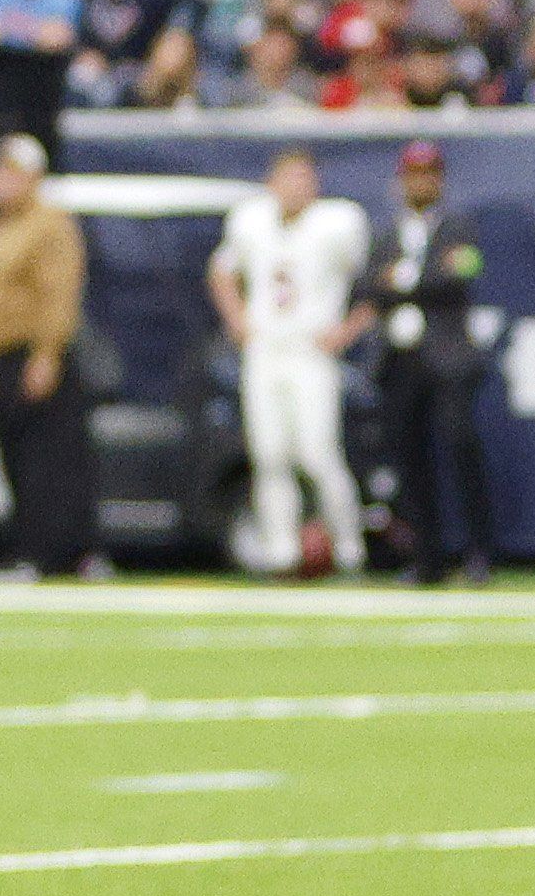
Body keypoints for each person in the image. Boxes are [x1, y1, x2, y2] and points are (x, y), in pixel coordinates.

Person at [210, 142, 372, 578]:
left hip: (309, 351)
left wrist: (347, 330)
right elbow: (221, 270)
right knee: (269, 456)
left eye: (304, 178)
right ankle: (280, 553)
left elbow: (374, 283)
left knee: (318, 454)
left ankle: (349, 548)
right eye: (288, 178)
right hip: (265, 349)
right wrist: (237, 319)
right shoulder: (251, 220)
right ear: (271, 183)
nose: (295, 188)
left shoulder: (336, 224)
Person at [363, 138, 496, 586]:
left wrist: (402, 281)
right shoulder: (385, 234)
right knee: (408, 457)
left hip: (447, 357)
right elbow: (369, 288)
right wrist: (415, 282)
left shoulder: (459, 227)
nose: (421, 182)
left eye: (429, 173)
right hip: (400, 360)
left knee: (460, 447)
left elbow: (457, 276)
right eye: (414, 174)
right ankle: (427, 557)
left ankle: (478, 551)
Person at [0, 131, 88, 580]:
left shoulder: (49, 224)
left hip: (32, 355)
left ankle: (52, 552)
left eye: (8, 172)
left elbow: (59, 295)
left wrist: (47, 354)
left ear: (32, 177)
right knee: (12, 457)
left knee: (44, 459)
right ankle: (25, 546)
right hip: (0, 359)